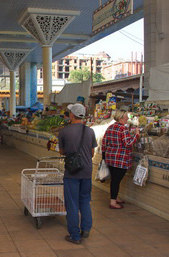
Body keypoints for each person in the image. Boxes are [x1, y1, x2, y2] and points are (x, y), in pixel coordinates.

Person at [58, 103, 97, 245]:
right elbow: (92, 153)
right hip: (87, 171)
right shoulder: (90, 131)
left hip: (72, 172)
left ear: (72, 115)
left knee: (72, 203)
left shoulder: (64, 131)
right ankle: (86, 228)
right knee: (85, 200)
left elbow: (62, 152)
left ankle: (75, 235)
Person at [102, 110, 139, 209]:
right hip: (120, 159)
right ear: (121, 118)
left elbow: (104, 141)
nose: (127, 119)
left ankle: (115, 197)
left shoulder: (110, 127)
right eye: (126, 117)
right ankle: (113, 202)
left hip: (110, 157)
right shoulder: (123, 128)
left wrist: (103, 155)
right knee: (116, 180)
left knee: (114, 179)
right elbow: (128, 143)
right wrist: (136, 135)